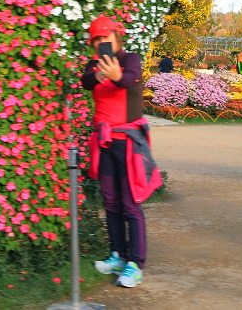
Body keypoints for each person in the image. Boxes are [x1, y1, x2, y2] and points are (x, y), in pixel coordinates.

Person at [82, 15, 161, 289]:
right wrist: (98, 75)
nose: (101, 43)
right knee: (111, 201)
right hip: (105, 142)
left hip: (128, 143)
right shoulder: (94, 64)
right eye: (97, 39)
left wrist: (116, 76)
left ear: (116, 37)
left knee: (130, 203)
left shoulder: (131, 59)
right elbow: (85, 81)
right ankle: (117, 255)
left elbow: (128, 80)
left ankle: (135, 264)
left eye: (105, 37)